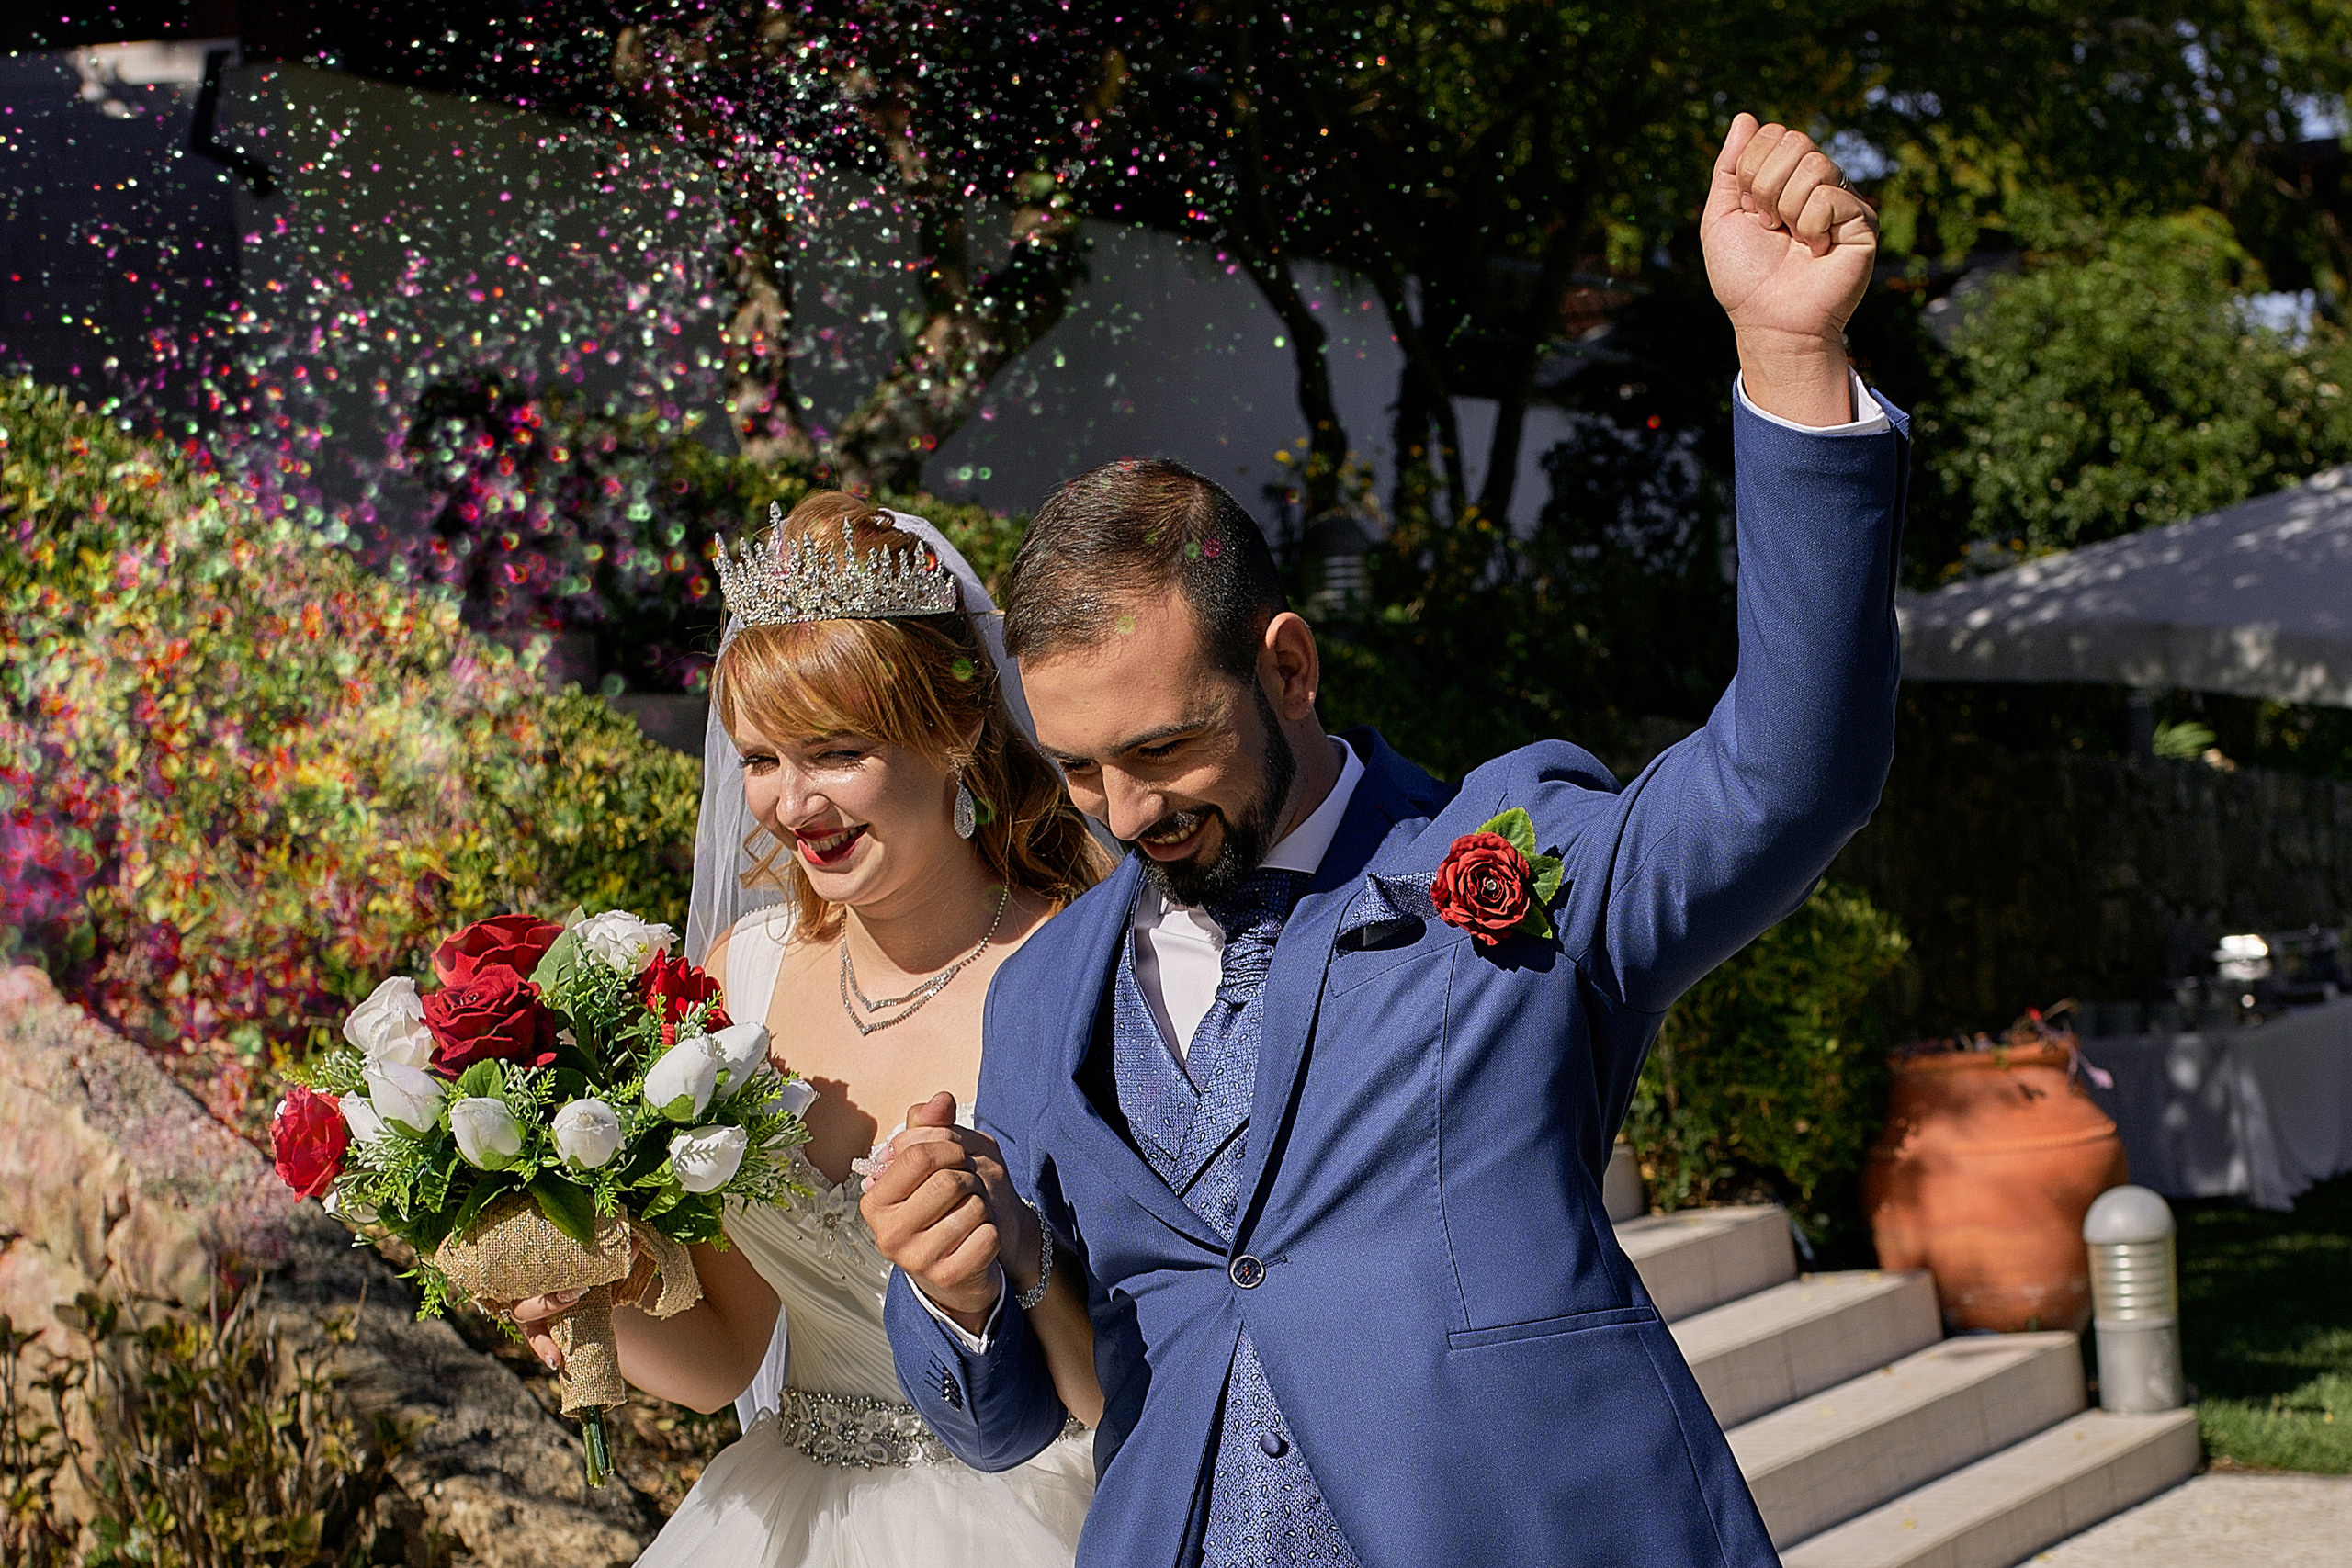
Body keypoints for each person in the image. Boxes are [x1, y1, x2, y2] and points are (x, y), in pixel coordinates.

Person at [864, 115, 1907, 1566]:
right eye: (1080, 764)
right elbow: (1012, 1422)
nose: (1125, 809)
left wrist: (1791, 360)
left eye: (1164, 747)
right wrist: (956, 1285)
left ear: (1287, 667)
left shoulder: (1516, 854)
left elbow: (1791, 774)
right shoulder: (1044, 997)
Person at [514, 494, 1110, 1567]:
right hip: (785, 1519)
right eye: (759, 759)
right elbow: (724, 1355)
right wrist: (587, 1295)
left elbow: (1135, 1363)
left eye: (834, 750)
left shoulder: (1084, 971)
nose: (792, 806)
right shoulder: (738, 979)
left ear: (958, 731)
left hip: (1037, 1512)